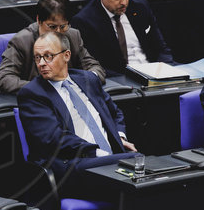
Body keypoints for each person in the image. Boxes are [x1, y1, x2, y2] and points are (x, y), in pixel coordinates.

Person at [17, 31, 138, 198]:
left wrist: (120, 137)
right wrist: (95, 152)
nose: (42, 63)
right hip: (72, 166)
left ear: (66, 55)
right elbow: (54, 138)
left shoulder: (88, 79)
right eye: (38, 58)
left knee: (144, 175)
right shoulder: (32, 94)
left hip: (110, 159)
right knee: (138, 163)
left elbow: (114, 112)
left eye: (48, 56)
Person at [70, 0, 173, 76]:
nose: (124, 2)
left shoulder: (140, 7)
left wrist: (167, 70)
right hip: (120, 78)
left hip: (154, 71)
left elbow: (161, 48)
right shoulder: (85, 21)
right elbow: (93, 66)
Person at [0, 0, 105, 94]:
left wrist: (82, 82)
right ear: (39, 20)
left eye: (63, 26)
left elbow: (95, 68)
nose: (58, 32)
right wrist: (44, 88)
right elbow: (4, 78)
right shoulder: (22, 41)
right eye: (52, 27)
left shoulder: (73, 36)